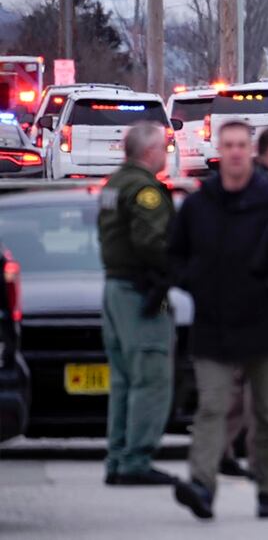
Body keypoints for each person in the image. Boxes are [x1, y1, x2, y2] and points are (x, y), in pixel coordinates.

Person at [170, 120, 268, 521]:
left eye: (242, 145)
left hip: (264, 323)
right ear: (220, 149)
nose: (235, 151)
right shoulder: (201, 203)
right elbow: (174, 255)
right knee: (211, 408)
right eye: (229, 144)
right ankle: (201, 485)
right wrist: (194, 283)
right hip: (213, 324)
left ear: (250, 150)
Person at [97, 121, 177, 487]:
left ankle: (117, 456)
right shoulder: (145, 190)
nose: (166, 152)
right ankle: (136, 458)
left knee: (124, 379)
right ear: (148, 152)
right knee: (151, 376)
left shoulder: (114, 184)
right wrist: (172, 271)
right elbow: (152, 242)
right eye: (162, 147)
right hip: (138, 291)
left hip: (115, 288)